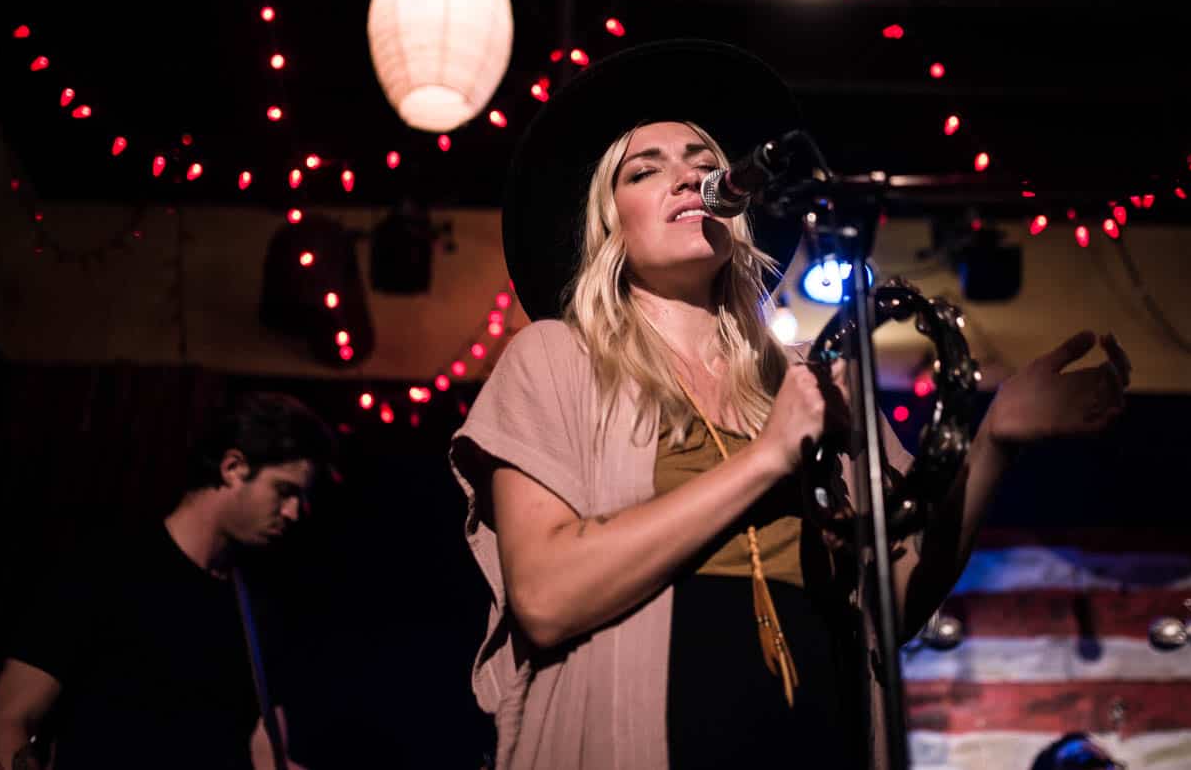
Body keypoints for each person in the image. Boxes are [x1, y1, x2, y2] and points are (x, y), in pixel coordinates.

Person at [449, 39, 1131, 770]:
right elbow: (546, 596)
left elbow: (895, 599)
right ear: (610, 226)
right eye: (646, 170)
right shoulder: (556, 357)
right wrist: (769, 457)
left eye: (703, 163)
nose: (688, 177)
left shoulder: (809, 378)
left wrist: (994, 439)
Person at [0, 391, 332, 770]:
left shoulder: (259, 603)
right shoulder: (105, 569)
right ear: (232, 467)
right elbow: (3, 720)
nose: (294, 512)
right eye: (285, 491)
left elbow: (266, 755)